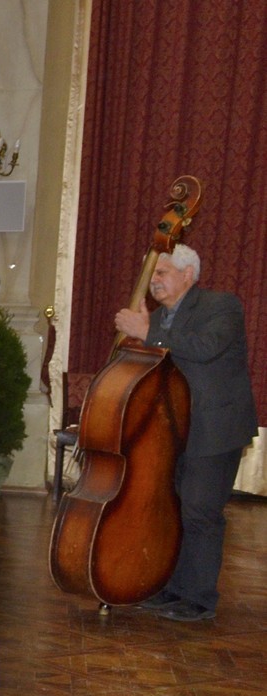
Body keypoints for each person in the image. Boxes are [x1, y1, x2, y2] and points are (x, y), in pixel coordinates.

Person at [114, 243, 258, 621]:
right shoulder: (159, 317)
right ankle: (172, 588)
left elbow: (205, 348)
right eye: (152, 274)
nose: (154, 281)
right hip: (171, 432)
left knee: (200, 512)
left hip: (215, 429)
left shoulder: (221, 306)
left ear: (188, 275)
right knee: (174, 511)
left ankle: (199, 598)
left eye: (162, 273)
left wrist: (147, 332)